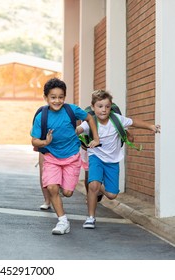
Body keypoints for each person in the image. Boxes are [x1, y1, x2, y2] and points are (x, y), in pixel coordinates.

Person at [76, 89, 161, 229]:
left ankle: (99, 186)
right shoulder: (90, 123)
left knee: (112, 195)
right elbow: (78, 130)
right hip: (96, 157)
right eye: (100, 106)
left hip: (112, 161)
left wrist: (150, 126)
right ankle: (90, 217)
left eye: (107, 107)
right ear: (93, 107)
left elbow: (134, 122)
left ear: (111, 107)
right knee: (93, 186)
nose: (104, 110)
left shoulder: (117, 119)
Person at [31, 78, 100, 235]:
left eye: (60, 97)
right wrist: (45, 142)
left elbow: (89, 118)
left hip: (71, 157)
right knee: (52, 188)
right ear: (46, 98)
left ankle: (60, 187)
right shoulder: (41, 116)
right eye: (53, 97)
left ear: (65, 97)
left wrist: (96, 138)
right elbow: (34, 140)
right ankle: (63, 221)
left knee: (68, 193)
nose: (57, 100)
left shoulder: (71, 110)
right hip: (51, 157)